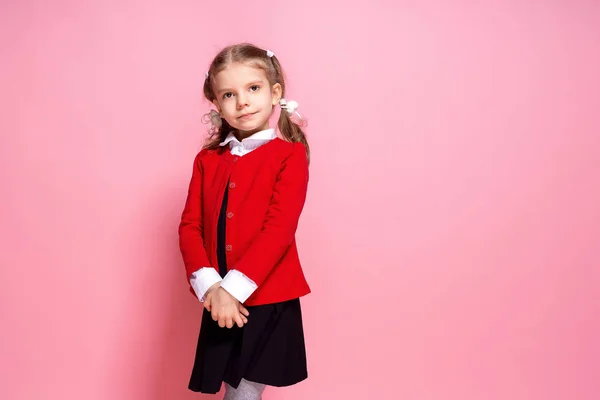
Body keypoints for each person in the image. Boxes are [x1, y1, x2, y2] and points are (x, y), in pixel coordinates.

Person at [178, 43, 311, 400]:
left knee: (243, 394)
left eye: (253, 88)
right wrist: (211, 288)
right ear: (217, 104)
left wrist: (231, 291)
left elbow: (279, 230)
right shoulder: (207, 160)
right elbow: (190, 226)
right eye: (229, 94)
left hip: (266, 297)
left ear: (275, 93)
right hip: (218, 296)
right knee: (232, 391)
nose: (243, 102)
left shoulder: (290, 155)